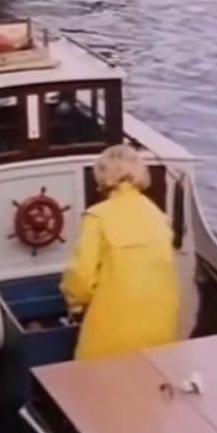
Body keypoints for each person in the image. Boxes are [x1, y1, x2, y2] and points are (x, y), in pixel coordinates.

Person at [60, 144, 180, 360]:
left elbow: (80, 277)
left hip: (111, 334)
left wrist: (75, 306)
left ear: (102, 177)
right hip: (159, 330)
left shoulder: (97, 217)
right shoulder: (159, 216)